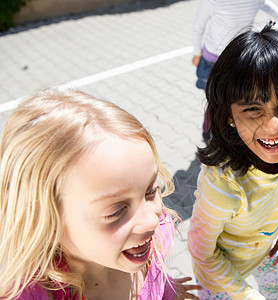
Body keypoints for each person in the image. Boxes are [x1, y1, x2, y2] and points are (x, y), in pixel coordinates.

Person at [0, 88, 201, 300]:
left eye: (150, 192)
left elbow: (155, 281)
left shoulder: (157, 237)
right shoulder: (31, 295)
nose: (151, 220)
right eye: (116, 211)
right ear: (46, 222)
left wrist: (167, 290)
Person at [187, 24, 278, 299]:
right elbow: (201, 253)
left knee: (277, 291)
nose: (274, 127)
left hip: (266, 251)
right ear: (228, 116)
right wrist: (245, 294)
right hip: (220, 276)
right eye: (252, 109)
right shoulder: (221, 187)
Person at [192, 0, 278, 141]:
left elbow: (265, 4)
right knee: (214, 100)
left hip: (240, 58)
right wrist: (197, 53)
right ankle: (208, 132)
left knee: (239, 98)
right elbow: (198, 26)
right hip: (213, 60)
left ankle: (233, 131)